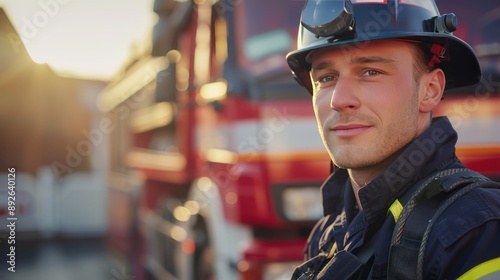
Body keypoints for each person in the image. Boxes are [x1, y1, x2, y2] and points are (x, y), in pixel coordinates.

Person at [286, 0, 500, 279]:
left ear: (430, 90)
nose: (339, 100)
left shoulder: (477, 231)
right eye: (326, 78)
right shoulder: (327, 237)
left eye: (370, 72)